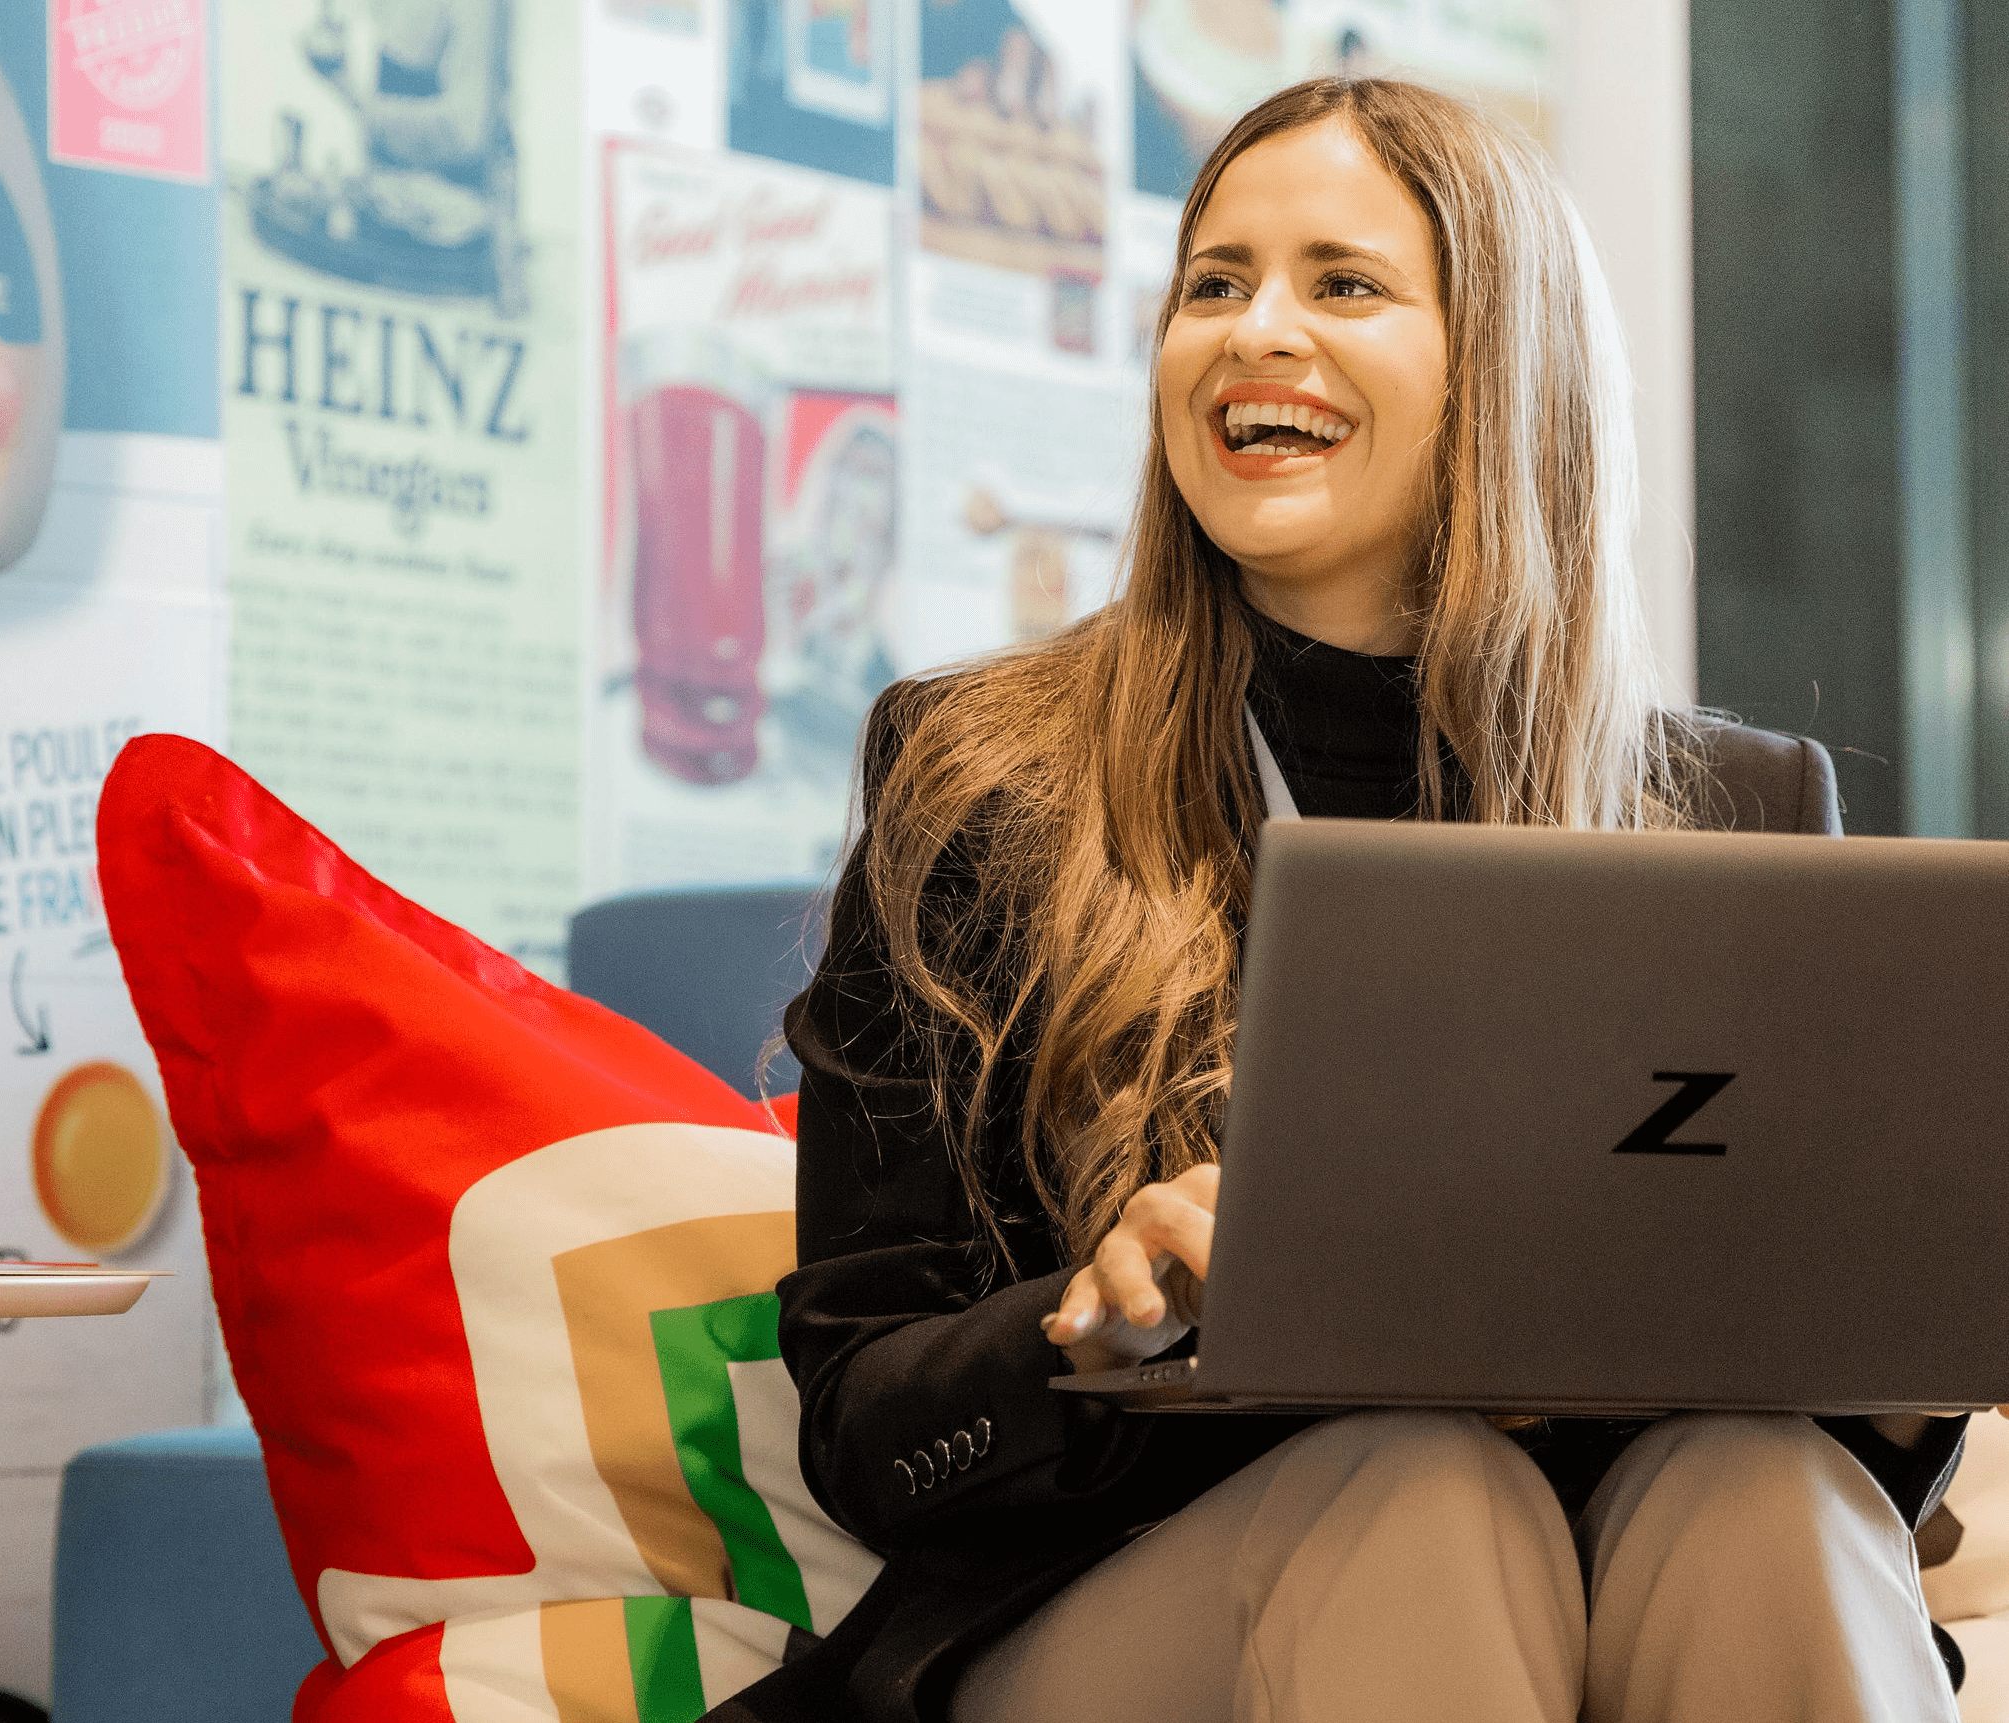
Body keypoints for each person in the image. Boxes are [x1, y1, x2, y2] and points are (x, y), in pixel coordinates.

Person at [714, 78, 1970, 1723]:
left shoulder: (1736, 809)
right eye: (1213, 283)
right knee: (1420, 1489)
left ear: (1501, 368)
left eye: (1343, 283)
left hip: (1636, 1559)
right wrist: (1098, 1323)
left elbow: (1848, 1402)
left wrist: (1911, 1276)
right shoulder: (976, 773)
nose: (1253, 335)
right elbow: (866, 1410)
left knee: (1770, 1494)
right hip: (1125, 1600)